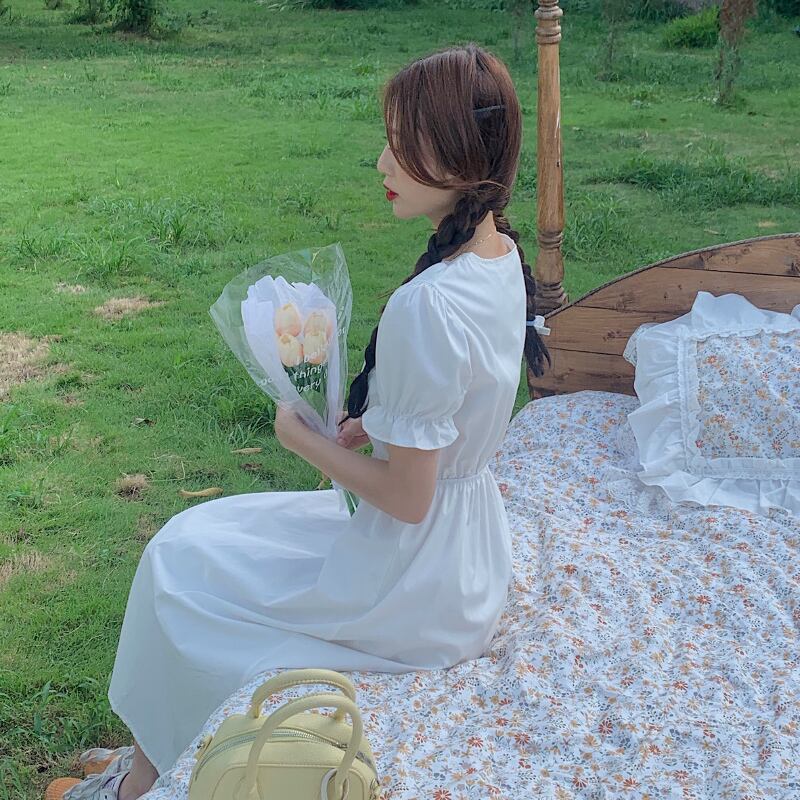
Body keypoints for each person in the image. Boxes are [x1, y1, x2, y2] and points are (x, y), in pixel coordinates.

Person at [50, 41, 550, 800]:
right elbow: (456, 406)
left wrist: (303, 440)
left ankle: (139, 782)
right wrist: (377, 424)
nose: (381, 163)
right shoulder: (499, 253)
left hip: (417, 585)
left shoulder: (429, 303)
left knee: (182, 565)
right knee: (202, 542)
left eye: (401, 146)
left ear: (456, 157)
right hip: (469, 557)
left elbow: (409, 498)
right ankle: (148, 759)